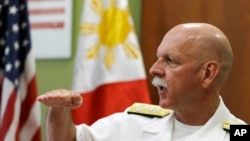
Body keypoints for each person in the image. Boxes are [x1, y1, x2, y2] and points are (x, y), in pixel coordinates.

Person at [37, 23, 246, 141]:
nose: (154, 69)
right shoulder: (134, 122)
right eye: (158, 57)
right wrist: (59, 110)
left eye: (170, 61)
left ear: (208, 73)